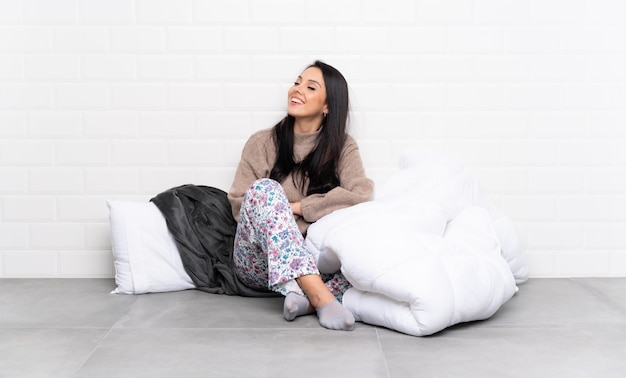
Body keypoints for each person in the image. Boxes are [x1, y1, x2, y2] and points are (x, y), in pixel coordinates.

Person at [227, 61, 374, 331]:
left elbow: (362, 194)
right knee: (264, 190)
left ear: (328, 106)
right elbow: (239, 203)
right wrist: (283, 213)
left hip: (315, 257)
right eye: (297, 82)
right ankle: (319, 297)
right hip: (261, 262)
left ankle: (302, 297)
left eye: (310, 87)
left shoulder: (343, 147)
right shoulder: (261, 142)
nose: (297, 90)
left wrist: (299, 207)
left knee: (368, 260)